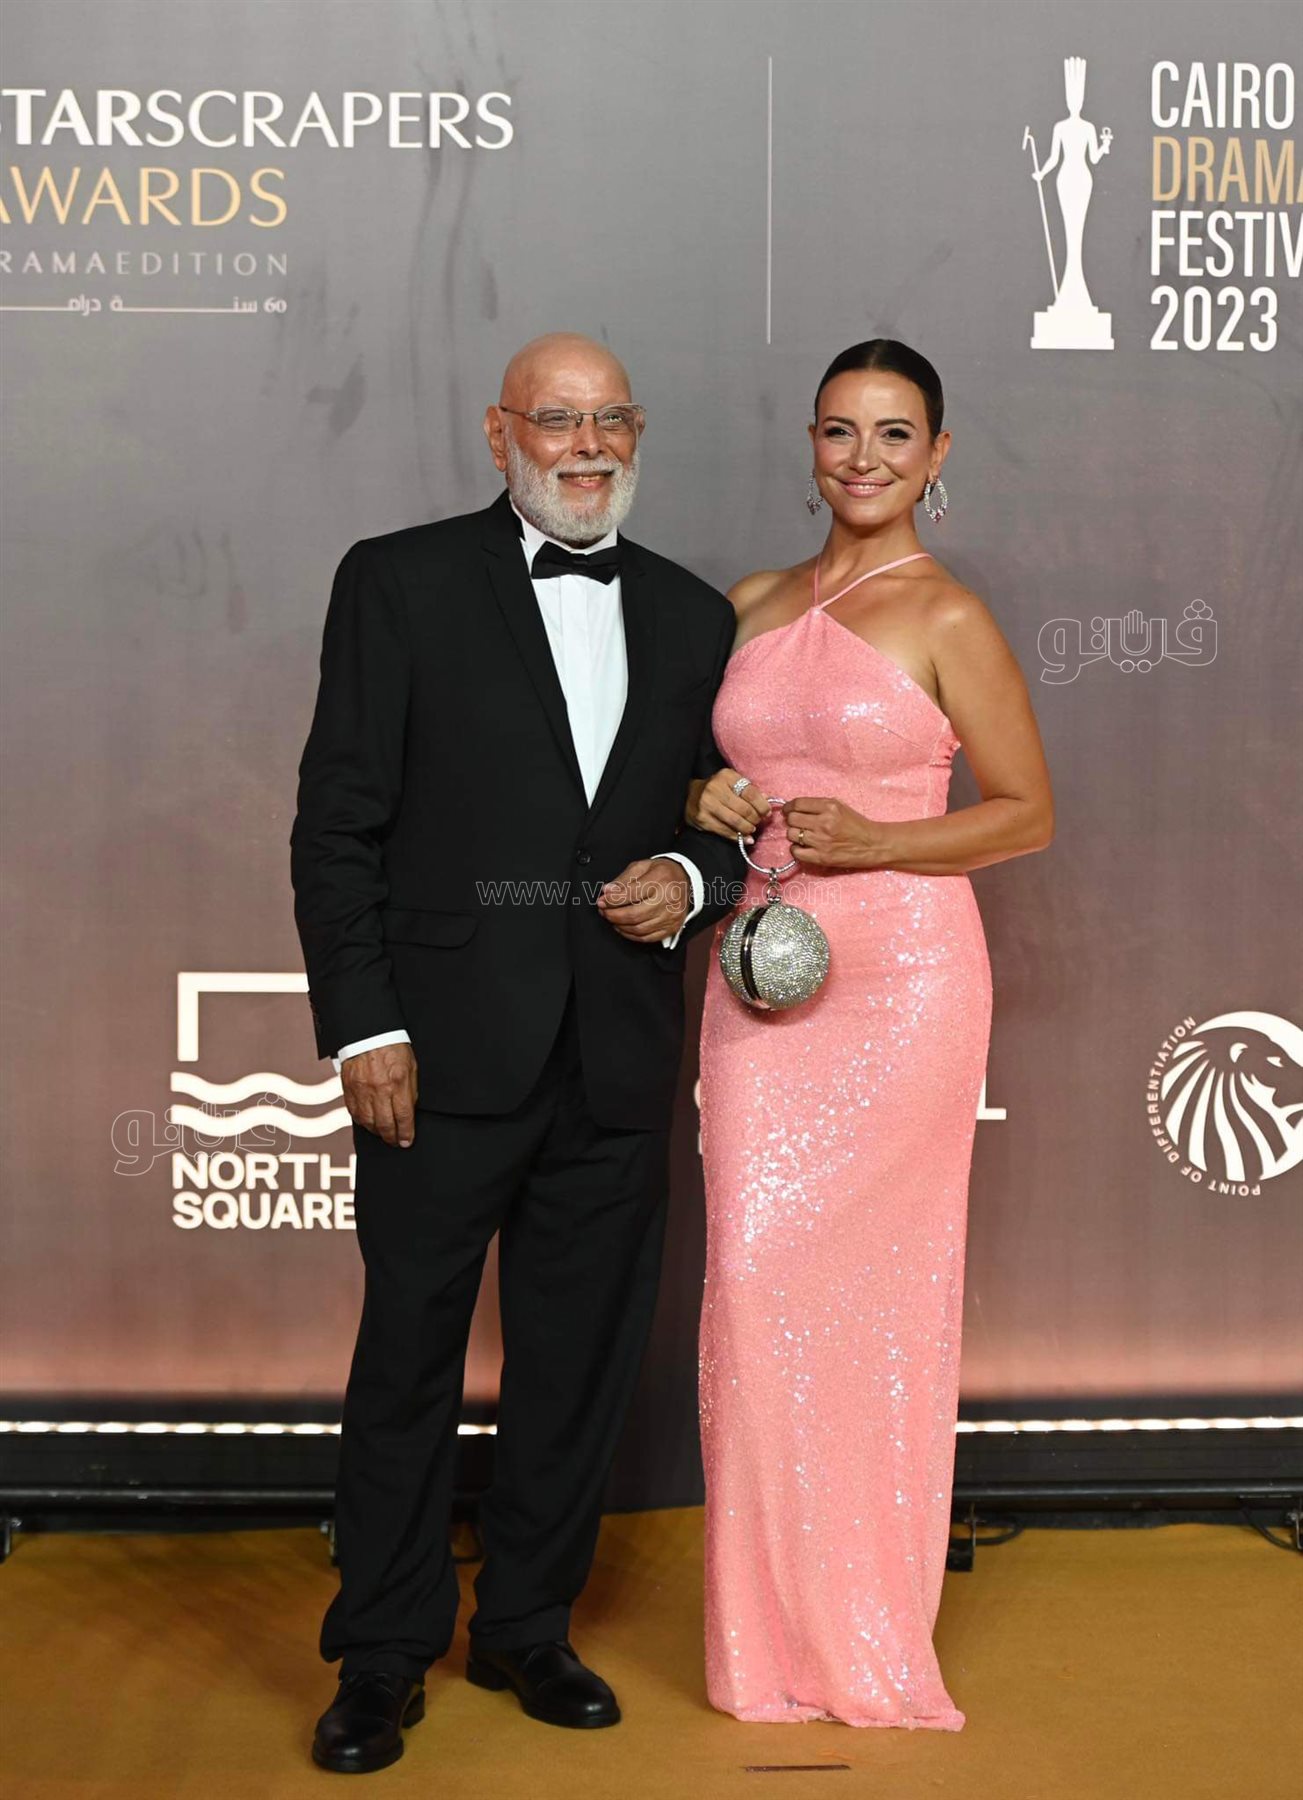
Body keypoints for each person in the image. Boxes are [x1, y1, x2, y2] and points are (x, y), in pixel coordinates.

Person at [291, 332, 743, 1773]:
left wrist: (693, 878)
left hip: (616, 1054)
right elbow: (337, 822)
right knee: (408, 1358)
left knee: (578, 1365)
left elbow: (725, 818)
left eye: (613, 419)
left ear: (639, 433)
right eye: (558, 419)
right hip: (437, 1053)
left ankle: (528, 1627)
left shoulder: (692, 614)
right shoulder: (398, 582)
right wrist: (366, 1022)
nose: (587, 444)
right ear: (501, 435)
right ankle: (381, 1651)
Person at [690, 339, 1053, 1729]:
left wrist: (885, 837)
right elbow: (702, 773)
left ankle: (865, 1630)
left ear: (937, 457)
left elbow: (1026, 812)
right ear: (811, 443)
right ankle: (766, 1638)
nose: (865, 458)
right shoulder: (747, 603)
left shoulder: (949, 614)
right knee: (754, 1282)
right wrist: (705, 796)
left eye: (896, 435)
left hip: (902, 985)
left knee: (883, 1303)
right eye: (841, 431)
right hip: (762, 983)